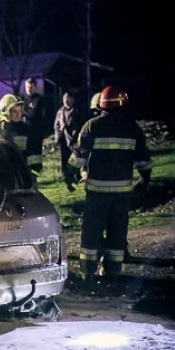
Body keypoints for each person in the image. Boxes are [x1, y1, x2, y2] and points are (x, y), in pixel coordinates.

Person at [69, 86, 152, 281]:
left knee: (91, 231)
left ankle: (88, 271)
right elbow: (143, 160)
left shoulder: (92, 126)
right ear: (123, 104)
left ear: (101, 104)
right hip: (121, 193)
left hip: (96, 191)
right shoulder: (133, 128)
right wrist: (145, 179)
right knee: (117, 231)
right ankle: (113, 271)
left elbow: (79, 157)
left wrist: (69, 174)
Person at [0, 94, 41, 174]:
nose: (19, 114)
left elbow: (34, 156)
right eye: (15, 111)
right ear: (5, 111)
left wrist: (32, 174)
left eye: (20, 111)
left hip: (20, 175)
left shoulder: (27, 130)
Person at [53, 90, 86, 191]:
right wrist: (57, 137)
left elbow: (80, 126)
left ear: (73, 100)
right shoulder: (60, 112)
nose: (66, 101)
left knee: (74, 161)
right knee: (64, 161)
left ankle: (76, 177)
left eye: (69, 99)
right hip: (63, 141)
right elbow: (57, 125)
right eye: (65, 99)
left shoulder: (77, 112)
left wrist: (75, 137)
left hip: (74, 141)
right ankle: (67, 180)